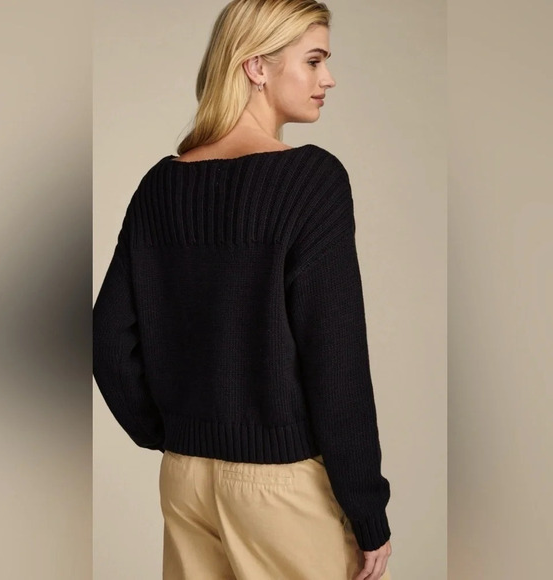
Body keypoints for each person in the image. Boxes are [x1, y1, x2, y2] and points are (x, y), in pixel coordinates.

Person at [92, 1, 393, 578]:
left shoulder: (160, 186)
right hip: (280, 490)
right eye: (314, 60)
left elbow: (107, 338)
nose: (328, 78)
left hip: (185, 480)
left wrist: (173, 433)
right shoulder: (311, 180)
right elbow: (335, 358)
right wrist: (366, 509)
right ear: (256, 66)